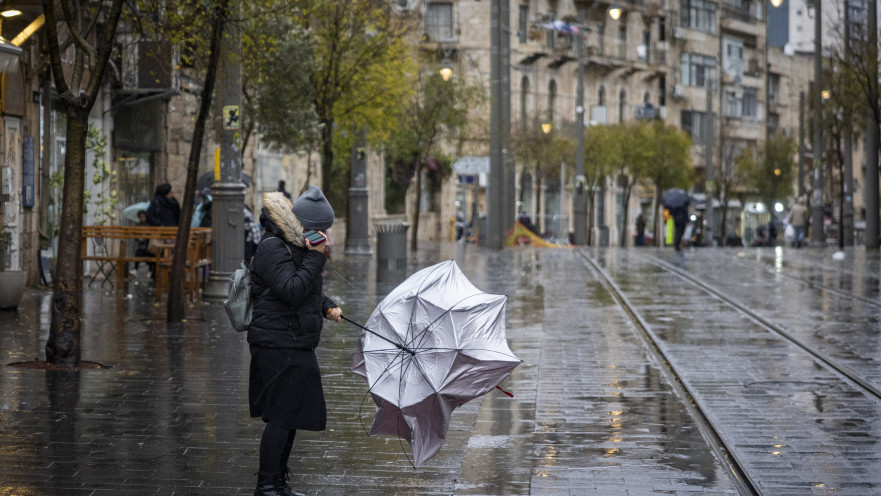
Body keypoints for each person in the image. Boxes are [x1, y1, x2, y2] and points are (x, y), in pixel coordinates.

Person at [247, 186, 342, 496]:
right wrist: (316, 256)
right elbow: (290, 289)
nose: (324, 236)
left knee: (291, 415)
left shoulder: (295, 244)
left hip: (295, 340)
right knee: (280, 415)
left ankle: (278, 482)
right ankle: (266, 486)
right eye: (320, 230)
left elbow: (304, 287)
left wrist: (326, 305)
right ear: (306, 226)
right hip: (275, 342)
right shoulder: (272, 246)